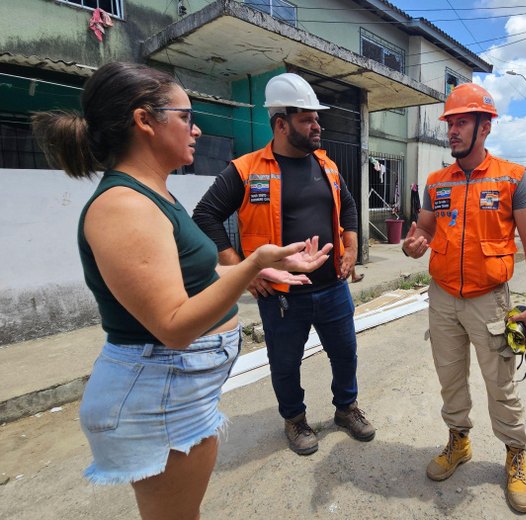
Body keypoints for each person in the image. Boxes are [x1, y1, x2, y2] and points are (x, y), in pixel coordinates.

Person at [30, 62, 331, 520]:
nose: (197, 127)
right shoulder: (124, 206)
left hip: (179, 388)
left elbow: (189, 278)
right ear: (144, 120)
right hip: (160, 389)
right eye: (186, 115)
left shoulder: (156, 193)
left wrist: (266, 267)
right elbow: (172, 326)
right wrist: (251, 263)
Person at [192, 72, 375, 456]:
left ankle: (346, 408)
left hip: (332, 287)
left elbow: (351, 207)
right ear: (280, 124)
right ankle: (294, 419)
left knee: (345, 353)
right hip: (281, 295)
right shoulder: (245, 170)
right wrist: (243, 269)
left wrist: (352, 246)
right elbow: (205, 215)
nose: (317, 126)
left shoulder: (326, 165)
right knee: (285, 362)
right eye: (307, 119)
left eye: (316, 118)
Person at [401, 83, 526, 513]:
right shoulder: (436, 182)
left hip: (490, 300)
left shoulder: (513, 178)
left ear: (485, 127)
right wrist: (415, 242)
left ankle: (515, 453)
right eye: (450, 123)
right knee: (450, 378)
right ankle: (458, 441)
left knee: (500, 385)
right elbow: (424, 229)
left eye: (461, 122)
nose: (452, 131)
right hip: (442, 297)